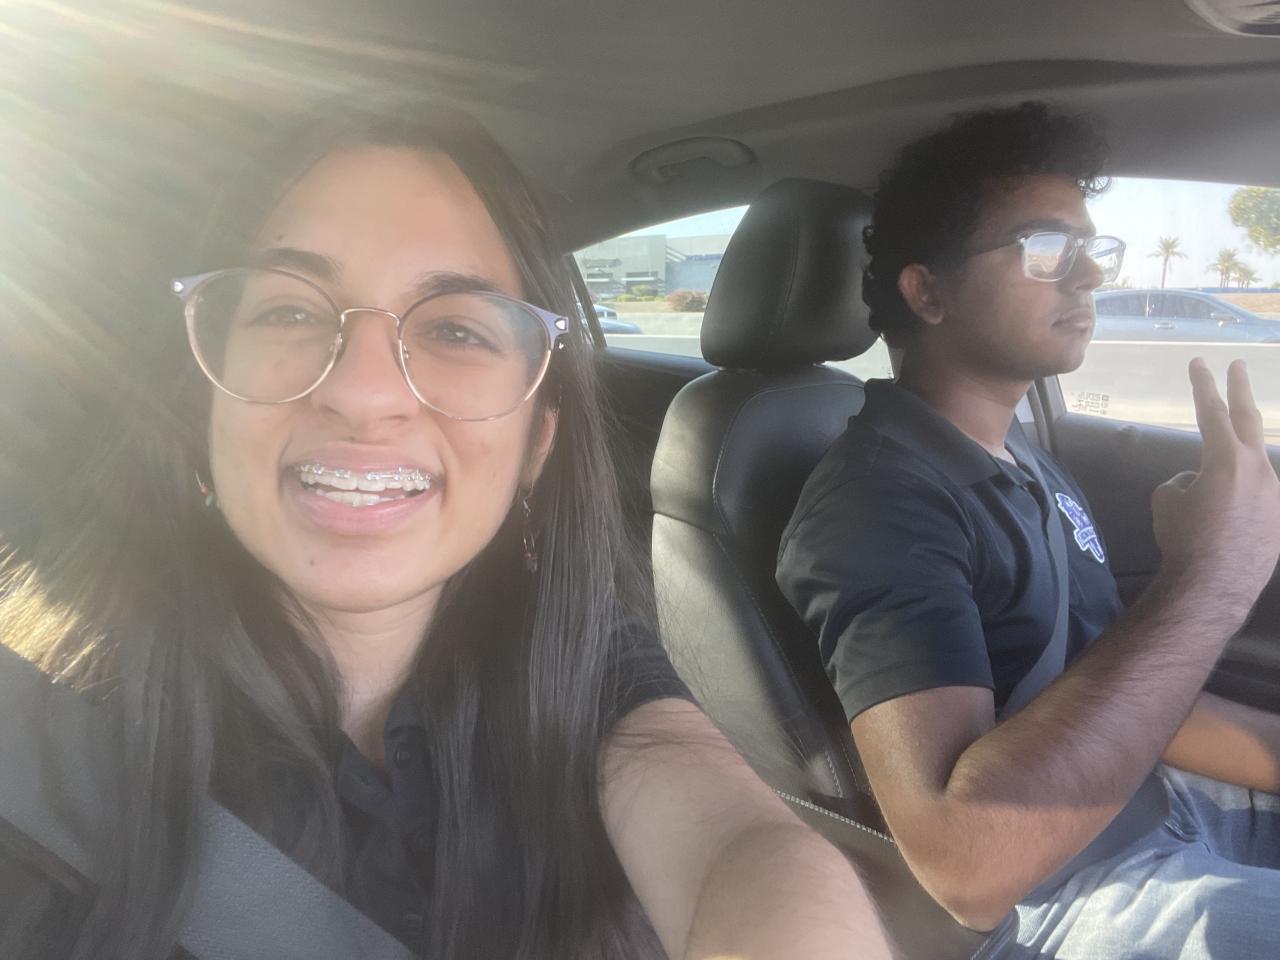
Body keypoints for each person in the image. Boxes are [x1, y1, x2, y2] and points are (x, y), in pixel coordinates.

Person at [0, 102, 888, 960]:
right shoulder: (45, 753)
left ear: (537, 442)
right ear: (206, 406)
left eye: (456, 330)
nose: (363, 393)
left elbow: (742, 852)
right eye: (289, 312)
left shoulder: (568, 645)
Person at [776, 101, 1280, 958]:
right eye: (1046, 248)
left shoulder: (1023, 458)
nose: (1089, 276)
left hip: (1154, 806)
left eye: (1092, 247)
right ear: (927, 291)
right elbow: (965, 865)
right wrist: (1214, 575)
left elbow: (1121, 687)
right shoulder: (877, 505)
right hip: (1068, 893)